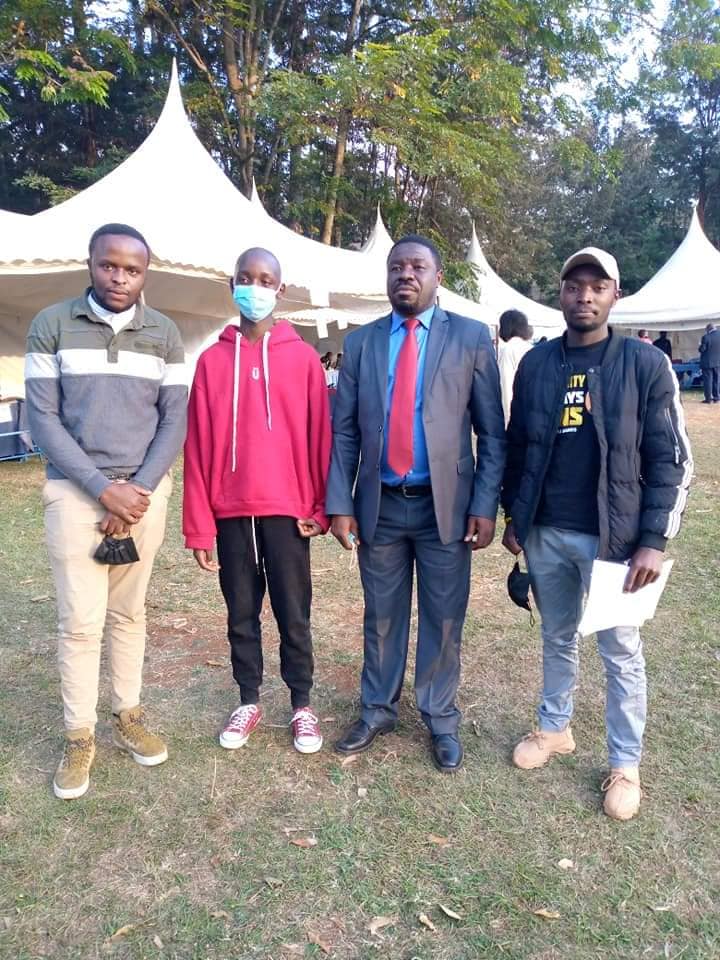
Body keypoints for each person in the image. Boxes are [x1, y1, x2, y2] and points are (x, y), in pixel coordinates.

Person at [501, 246, 692, 821]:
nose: (584, 295)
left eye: (597, 286)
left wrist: (653, 541)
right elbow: (518, 448)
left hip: (615, 539)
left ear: (615, 294)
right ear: (560, 294)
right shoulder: (537, 363)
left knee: (619, 649)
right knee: (557, 635)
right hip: (548, 531)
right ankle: (555, 728)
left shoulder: (643, 364)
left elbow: (671, 460)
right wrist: (517, 516)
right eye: (574, 285)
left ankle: (625, 763)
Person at [327, 234, 505, 773]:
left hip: (445, 507)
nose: (407, 274)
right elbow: (344, 434)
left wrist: (485, 503)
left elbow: (492, 432)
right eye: (397, 266)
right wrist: (341, 503)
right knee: (381, 614)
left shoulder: (472, 338)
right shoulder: (361, 344)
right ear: (387, 277)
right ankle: (377, 708)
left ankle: (440, 717)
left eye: (418, 266)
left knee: (444, 616)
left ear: (438, 276)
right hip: (380, 503)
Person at [24, 222, 187, 800]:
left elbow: (174, 419)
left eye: (132, 269)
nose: (119, 277)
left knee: (129, 613)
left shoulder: (164, 333)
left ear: (146, 272)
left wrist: (137, 489)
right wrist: (101, 488)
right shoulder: (53, 324)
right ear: (90, 264)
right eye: (108, 265)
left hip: (145, 494)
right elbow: (42, 418)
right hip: (74, 491)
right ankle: (78, 735)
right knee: (80, 621)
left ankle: (129, 714)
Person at [183, 247, 331, 754]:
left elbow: (319, 438)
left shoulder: (304, 359)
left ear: (280, 289)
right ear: (232, 285)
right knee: (240, 609)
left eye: (265, 279)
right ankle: (248, 696)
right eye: (246, 278)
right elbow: (198, 445)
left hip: (289, 511)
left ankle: (302, 703)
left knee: (295, 609)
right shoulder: (211, 361)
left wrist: (319, 507)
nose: (255, 286)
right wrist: (198, 524)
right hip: (230, 511)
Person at [497, 309, 534, 426]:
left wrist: (508, 422)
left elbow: (506, 387)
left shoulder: (508, 349)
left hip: (517, 415)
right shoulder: (532, 349)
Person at [699, 322, 720, 403]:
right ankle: (717, 397)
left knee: (708, 381)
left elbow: (702, 349)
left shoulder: (706, 337)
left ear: (708, 329)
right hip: (718, 362)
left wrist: (700, 345)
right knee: (717, 380)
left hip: (707, 363)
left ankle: (708, 399)